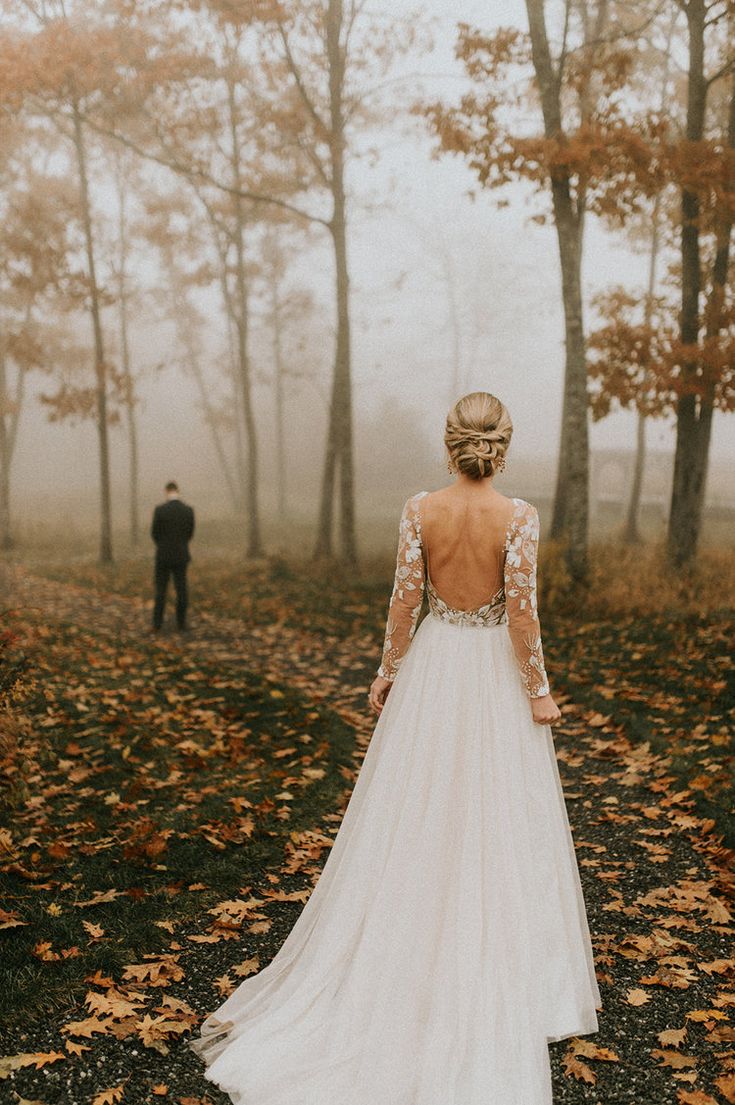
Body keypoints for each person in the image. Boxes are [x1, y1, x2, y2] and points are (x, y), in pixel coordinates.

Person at [190, 393, 602, 1105]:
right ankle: (510, 974)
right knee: (499, 817)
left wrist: (388, 670)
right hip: (492, 677)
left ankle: (407, 958)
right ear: (501, 445)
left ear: (450, 444)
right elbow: (522, 609)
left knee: (416, 812)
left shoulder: (420, 509)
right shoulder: (519, 517)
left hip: (437, 666)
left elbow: (402, 601)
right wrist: (537, 687)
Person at [150, 481, 195, 633]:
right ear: (178, 490)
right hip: (181, 555)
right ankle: (181, 623)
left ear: (166, 491)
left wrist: (163, 544)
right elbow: (190, 533)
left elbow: (154, 533)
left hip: (163, 555)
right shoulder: (188, 510)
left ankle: (157, 624)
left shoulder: (160, 510)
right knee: (181, 589)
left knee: (161, 590)